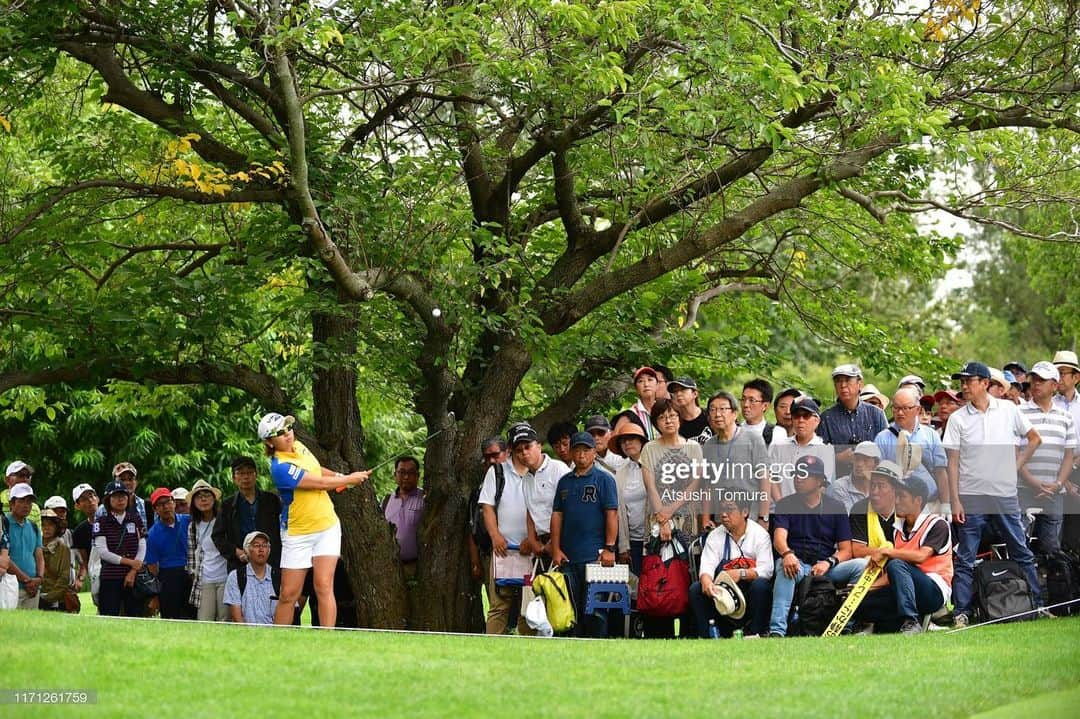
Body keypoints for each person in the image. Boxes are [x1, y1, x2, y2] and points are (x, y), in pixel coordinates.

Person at [944, 361, 1046, 626]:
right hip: (971, 496)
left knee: (1020, 549)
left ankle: (1037, 604)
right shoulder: (957, 419)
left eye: (969, 381)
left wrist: (1015, 466)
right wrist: (954, 500)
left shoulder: (1009, 410)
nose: (963, 386)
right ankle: (961, 613)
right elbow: (952, 462)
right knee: (966, 556)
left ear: (985, 383)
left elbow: (1034, 438)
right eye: (962, 381)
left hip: (1004, 494)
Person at [260, 412, 369, 627]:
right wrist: (350, 478)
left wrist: (338, 478)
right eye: (280, 433)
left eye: (288, 428)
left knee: (323, 585)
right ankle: (277, 641)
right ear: (269, 442)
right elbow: (315, 483)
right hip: (297, 532)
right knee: (289, 593)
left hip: (326, 526)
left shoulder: (300, 446)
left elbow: (317, 470)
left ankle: (325, 640)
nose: (287, 434)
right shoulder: (279, 467)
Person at [767, 455, 863, 637]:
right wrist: (787, 554)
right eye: (796, 474)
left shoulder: (836, 506)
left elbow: (846, 549)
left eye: (804, 475)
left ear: (819, 481)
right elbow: (779, 539)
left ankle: (846, 625)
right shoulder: (785, 503)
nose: (798, 478)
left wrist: (829, 562)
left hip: (825, 566)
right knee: (785, 566)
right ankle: (777, 631)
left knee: (861, 566)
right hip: (798, 563)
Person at [860, 469, 953, 634]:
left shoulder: (937, 524)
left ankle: (911, 621)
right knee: (863, 603)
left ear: (918, 501)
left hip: (933, 590)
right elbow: (896, 574)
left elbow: (920, 556)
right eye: (896, 496)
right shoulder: (898, 529)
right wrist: (864, 589)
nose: (896, 501)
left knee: (895, 564)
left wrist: (886, 551)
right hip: (906, 588)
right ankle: (907, 620)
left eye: (902, 497)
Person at [550, 432, 619, 638]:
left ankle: (597, 646)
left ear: (594, 452)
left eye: (586, 450)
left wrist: (609, 548)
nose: (581, 454)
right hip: (568, 556)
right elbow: (556, 515)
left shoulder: (604, 479)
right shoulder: (564, 482)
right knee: (570, 607)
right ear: (571, 452)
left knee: (595, 609)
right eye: (577, 449)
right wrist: (555, 548)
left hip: (595, 556)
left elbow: (612, 514)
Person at [479, 422, 540, 635]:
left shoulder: (541, 472)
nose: (523, 452)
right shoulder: (496, 472)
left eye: (527, 446)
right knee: (498, 606)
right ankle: (491, 650)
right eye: (518, 448)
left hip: (533, 552)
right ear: (511, 450)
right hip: (503, 549)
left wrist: (533, 541)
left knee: (530, 607)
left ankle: (528, 654)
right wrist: (495, 537)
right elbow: (487, 507)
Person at [689, 490, 774, 638]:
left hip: (748, 591)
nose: (723, 514)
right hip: (722, 594)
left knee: (761, 585)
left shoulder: (760, 535)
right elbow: (706, 569)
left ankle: (755, 634)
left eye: (729, 509)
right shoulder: (715, 536)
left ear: (745, 512)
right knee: (696, 589)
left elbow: (767, 570)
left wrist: (741, 573)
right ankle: (709, 636)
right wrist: (707, 583)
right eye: (721, 509)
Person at [1019, 362, 1076, 554]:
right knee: (1020, 545)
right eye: (1034, 379)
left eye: (1042, 380)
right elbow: (1015, 454)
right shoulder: (1019, 413)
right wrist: (1033, 481)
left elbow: (1068, 456)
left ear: (1054, 385)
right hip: (1023, 489)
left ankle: (1051, 584)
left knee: (1051, 548)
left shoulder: (1065, 417)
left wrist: (1058, 483)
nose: (1036, 384)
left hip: (1054, 493)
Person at [700, 391, 770, 526]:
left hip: (750, 519)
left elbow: (765, 480)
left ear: (734, 413)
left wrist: (764, 517)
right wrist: (705, 518)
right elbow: (707, 486)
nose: (717, 414)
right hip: (721, 521)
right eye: (713, 409)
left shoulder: (752, 438)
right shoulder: (709, 445)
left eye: (722, 409)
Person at [640, 398, 705, 539]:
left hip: (687, 516)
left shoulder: (694, 447)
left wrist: (671, 509)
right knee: (657, 559)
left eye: (672, 416)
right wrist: (663, 520)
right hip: (657, 516)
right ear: (656, 423)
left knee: (686, 558)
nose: (668, 421)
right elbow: (650, 487)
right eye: (662, 417)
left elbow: (694, 485)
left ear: (679, 418)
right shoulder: (649, 449)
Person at [874, 386, 949, 507]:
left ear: (917, 409)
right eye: (896, 408)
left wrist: (946, 503)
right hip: (896, 506)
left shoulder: (931, 435)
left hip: (929, 504)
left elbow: (940, 471)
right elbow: (879, 476)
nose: (900, 413)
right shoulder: (882, 438)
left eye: (905, 408)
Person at [214, 456, 283, 575]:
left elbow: (283, 528)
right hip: (241, 563)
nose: (245, 477)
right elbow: (217, 536)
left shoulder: (272, 500)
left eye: (249, 472)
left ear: (256, 475)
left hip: (272, 562)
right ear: (234, 478)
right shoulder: (227, 505)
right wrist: (236, 552)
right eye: (240, 473)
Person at [818, 364, 888, 473]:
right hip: (839, 480)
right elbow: (818, 457)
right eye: (838, 381)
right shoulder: (826, 418)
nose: (843, 385)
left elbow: (887, 450)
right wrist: (838, 458)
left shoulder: (876, 414)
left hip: (872, 480)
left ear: (860, 384)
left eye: (847, 380)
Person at [94, 480, 146, 616]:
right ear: (108, 500)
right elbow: (103, 552)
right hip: (110, 576)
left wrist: (134, 570)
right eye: (116, 496)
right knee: (109, 616)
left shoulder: (135, 519)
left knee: (135, 617)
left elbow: (142, 544)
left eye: (123, 496)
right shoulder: (101, 522)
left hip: (134, 577)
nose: (120, 500)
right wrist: (129, 562)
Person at [769, 397, 836, 499]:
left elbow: (822, 485)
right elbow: (772, 478)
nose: (801, 420)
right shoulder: (779, 446)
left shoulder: (825, 450)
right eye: (796, 416)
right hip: (780, 510)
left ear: (817, 420)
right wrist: (781, 506)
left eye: (806, 416)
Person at [144, 487, 193, 619]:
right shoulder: (152, 534)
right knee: (171, 616)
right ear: (155, 509)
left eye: (168, 502)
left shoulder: (188, 521)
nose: (165, 507)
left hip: (191, 573)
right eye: (160, 504)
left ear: (174, 503)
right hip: (168, 576)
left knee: (192, 615)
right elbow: (152, 566)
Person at [609, 421, 648, 576]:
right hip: (632, 540)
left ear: (641, 441)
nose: (627, 443)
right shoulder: (620, 472)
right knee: (636, 587)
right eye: (623, 441)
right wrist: (623, 546)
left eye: (632, 438)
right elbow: (618, 510)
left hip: (654, 538)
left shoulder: (654, 465)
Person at [186, 479, 229, 621]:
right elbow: (192, 553)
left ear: (214, 499)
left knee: (225, 619)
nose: (203, 499)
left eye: (207, 495)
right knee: (205, 620)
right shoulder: (193, 526)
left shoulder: (224, 519)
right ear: (194, 503)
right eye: (199, 496)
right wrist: (194, 575)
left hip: (226, 577)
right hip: (204, 578)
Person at [469, 437, 507, 581]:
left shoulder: (520, 480)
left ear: (507, 453)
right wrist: (475, 562)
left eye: (495, 456)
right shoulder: (478, 490)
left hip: (516, 551)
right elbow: (472, 528)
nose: (491, 461)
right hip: (488, 554)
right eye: (487, 457)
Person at [224, 530, 279, 624]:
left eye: (265, 545)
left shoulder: (279, 577)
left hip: (273, 635)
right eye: (256, 545)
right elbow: (237, 617)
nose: (261, 549)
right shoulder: (236, 577)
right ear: (246, 550)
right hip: (245, 635)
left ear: (269, 550)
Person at [382, 456, 425, 573]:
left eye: (411, 473)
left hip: (416, 567)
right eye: (402, 472)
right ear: (395, 474)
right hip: (388, 568)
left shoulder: (425, 498)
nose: (406, 477)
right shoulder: (386, 500)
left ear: (418, 475)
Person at [5, 483, 44, 609]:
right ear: (12, 503)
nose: (26, 505)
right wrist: (26, 580)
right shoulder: (3, 523)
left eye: (29, 501)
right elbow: (4, 557)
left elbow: (39, 556)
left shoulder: (33, 527)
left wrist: (39, 578)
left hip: (33, 589)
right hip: (9, 587)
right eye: (22, 500)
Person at [826, 441, 880, 513]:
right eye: (857, 459)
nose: (859, 464)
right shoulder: (839, 487)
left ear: (875, 464)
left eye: (865, 460)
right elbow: (847, 520)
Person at [70, 483, 100, 605]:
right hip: (97, 575)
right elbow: (85, 561)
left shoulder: (112, 521)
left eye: (91, 496)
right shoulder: (79, 532)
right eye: (84, 499)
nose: (90, 501)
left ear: (97, 499)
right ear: (77, 505)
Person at [38, 509, 71, 611]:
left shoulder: (63, 548)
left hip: (56, 600)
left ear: (57, 527)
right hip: (34, 596)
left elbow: (64, 578)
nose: (46, 528)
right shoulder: (34, 546)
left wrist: (48, 598)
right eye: (43, 525)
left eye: (50, 525)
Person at [741, 378, 785, 446]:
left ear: (765, 406)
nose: (746, 405)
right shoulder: (733, 431)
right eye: (743, 399)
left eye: (752, 400)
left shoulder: (776, 434)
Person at [109, 462, 152, 530]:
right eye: (122, 480)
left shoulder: (147, 507)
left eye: (130, 479)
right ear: (114, 483)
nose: (127, 483)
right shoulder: (103, 509)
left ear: (136, 482)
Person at [669, 376, 711, 443]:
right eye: (675, 391)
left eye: (683, 389)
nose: (678, 394)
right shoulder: (674, 423)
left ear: (695, 394)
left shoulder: (710, 417)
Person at [2, 461, 40, 529]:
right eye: (21, 475)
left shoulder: (34, 508)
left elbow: (37, 536)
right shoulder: (1, 501)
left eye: (28, 476)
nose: (25, 479)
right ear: (7, 480)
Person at [628, 367, 660, 441]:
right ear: (636, 389)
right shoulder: (631, 414)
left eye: (650, 379)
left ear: (657, 385)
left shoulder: (667, 409)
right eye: (641, 381)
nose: (646, 384)